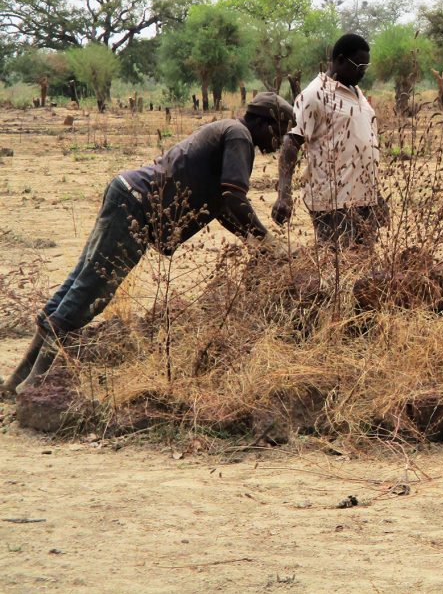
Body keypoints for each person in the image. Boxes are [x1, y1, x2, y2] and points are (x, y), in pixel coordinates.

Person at [0, 93, 295, 395]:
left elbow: (221, 207)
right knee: (92, 291)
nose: (280, 141)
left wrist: (254, 242)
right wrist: (268, 241)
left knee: (80, 281)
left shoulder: (230, 130)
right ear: (261, 122)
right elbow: (233, 196)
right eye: (279, 131)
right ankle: (33, 384)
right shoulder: (240, 136)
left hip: (129, 196)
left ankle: (15, 380)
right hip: (137, 206)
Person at [271, 33, 382, 246]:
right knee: (338, 268)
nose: (363, 72)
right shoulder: (314, 95)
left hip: (364, 200)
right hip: (333, 202)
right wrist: (283, 194)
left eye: (365, 67)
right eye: (359, 65)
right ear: (340, 60)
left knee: (365, 269)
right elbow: (291, 142)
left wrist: (377, 195)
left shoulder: (357, 93)